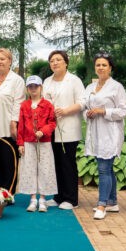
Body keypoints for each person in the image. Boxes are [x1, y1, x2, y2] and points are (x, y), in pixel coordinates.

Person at [84, 53, 126, 220]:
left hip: (110, 133)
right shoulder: (90, 87)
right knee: (107, 168)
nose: (100, 67)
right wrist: (87, 114)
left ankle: (102, 204)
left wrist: (104, 111)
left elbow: (124, 111)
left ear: (110, 68)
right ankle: (112, 202)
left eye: (104, 65)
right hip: (95, 132)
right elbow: (84, 105)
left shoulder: (116, 87)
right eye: (98, 65)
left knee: (103, 169)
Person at [43, 50, 86, 210]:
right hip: (50, 128)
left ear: (66, 62)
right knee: (55, 164)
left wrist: (66, 111)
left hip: (68, 128)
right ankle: (58, 196)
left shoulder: (74, 81)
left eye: (58, 60)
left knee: (67, 163)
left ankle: (71, 199)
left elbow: (82, 102)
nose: (55, 63)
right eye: (52, 60)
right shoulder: (47, 81)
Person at [16, 76, 57, 213]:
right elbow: (21, 126)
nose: (33, 89)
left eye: (36, 86)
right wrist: (20, 143)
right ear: (27, 89)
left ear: (41, 88)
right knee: (30, 169)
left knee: (45, 169)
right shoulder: (24, 105)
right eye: (30, 87)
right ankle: (33, 199)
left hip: (44, 143)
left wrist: (43, 131)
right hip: (28, 142)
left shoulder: (48, 105)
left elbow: (52, 123)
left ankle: (43, 199)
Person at [0, 48, 24, 193]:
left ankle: (8, 192)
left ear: (10, 61)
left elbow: (19, 102)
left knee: (8, 159)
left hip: (8, 124)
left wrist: (14, 122)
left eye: (2, 59)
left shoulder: (17, 80)